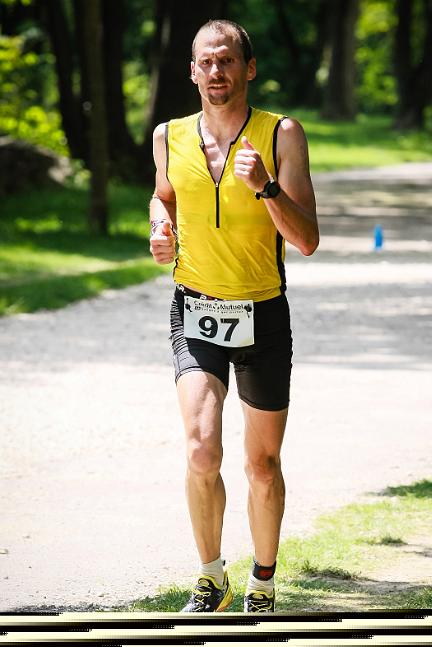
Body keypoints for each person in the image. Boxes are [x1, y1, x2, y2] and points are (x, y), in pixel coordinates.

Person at [149, 19, 319, 613]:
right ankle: (210, 576)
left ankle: (263, 583)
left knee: (262, 463)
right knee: (201, 449)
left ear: (248, 68)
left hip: (262, 314)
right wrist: (158, 225)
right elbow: (163, 194)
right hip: (194, 306)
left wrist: (267, 187)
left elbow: (307, 240)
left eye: (226, 61)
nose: (215, 72)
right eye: (204, 62)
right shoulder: (168, 135)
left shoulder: (282, 134)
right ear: (191, 70)